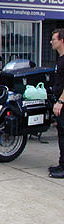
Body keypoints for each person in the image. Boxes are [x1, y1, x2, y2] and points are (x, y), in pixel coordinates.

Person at [49, 28, 64, 178]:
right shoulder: (59, 59)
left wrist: (60, 101)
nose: (51, 42)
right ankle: (61, 164)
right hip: (59, 100)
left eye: (54, 39)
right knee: (61, 134)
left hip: (62, 103)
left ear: (62, 40)